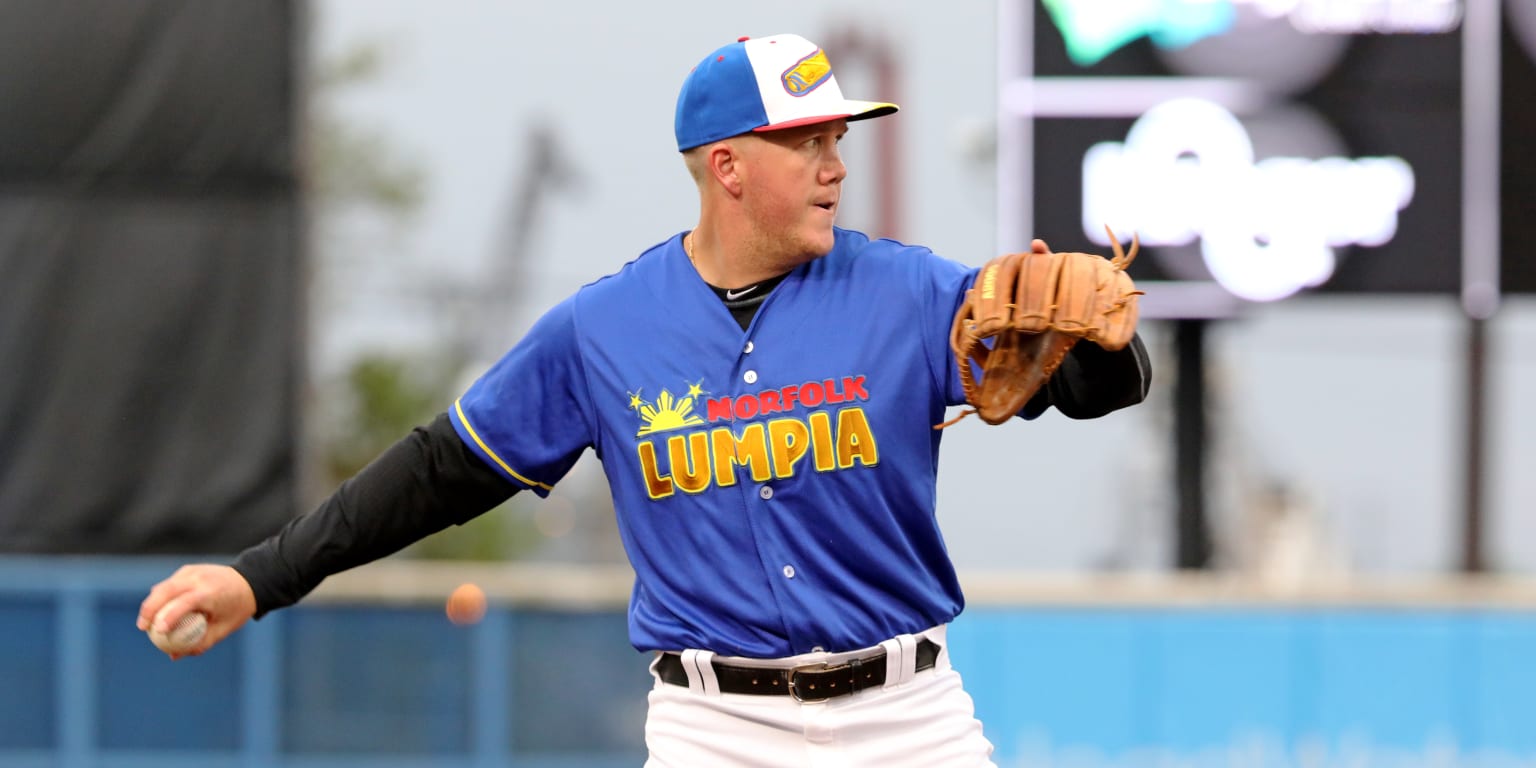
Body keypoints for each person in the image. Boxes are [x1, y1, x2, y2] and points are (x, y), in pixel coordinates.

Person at [138, 32, 1151, 766]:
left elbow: (1095, 389)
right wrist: (261, 578)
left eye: (838, 139)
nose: (836, 165)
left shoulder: (911, 290)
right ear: (728, 167)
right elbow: (444, 470)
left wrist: (1104, 343)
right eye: (807, 143)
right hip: (717, 729)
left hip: (906, 719)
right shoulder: (606, 329)